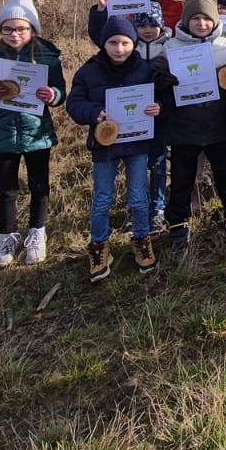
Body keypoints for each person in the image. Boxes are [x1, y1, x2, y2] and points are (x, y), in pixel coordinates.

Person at [0, 0, 66, 268]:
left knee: (39, 185)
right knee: (6, 188)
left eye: (21, 29)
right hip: (3, 133)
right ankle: (7, 235)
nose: (14, 34)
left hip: (37, 132)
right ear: (0, 31)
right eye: (8, 29)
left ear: (32, 29)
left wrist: (53, 95)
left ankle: (37, 232)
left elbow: (61, 92)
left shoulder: (47, 58)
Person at [66, 16, 164, 281]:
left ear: (133, 43)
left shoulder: (145, 70)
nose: (118, 49)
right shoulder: (89, 71)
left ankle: (142, 240)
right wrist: (94, 112)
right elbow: (73, 104)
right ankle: (99, 245)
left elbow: (159, 97)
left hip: (137, 142)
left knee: (138, 196)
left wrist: (157, 107)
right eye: (112, 43)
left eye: (124, 43)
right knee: (102, 198)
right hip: (105, 145)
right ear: (103, 43)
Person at [153, 0, 226, 255]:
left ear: (215, 21)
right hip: (184, 127)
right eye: (195, 19)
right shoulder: (171, 48)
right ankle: (179, 225)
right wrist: (160, 79)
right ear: (185, 21)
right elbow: (157, 78)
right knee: (182, 178)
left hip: (218, 124)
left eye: (207, 18)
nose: (201, 24)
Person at [89, 0, 171, 229]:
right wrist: (101, 10)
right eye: (141, 25)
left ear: (161, 25)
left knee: (157, 163)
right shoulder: (123, 49)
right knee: (134, 168)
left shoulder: (169, 48)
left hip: (154, 119)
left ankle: (157, 207)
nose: (147, 30)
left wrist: (162, 104)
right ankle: (133, 207)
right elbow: (99, 35)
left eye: (152, 25)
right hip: (125, 125)